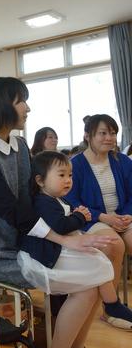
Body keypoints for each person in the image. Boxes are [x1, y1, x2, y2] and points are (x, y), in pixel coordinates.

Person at [0, 77, 114, 348]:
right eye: (21, 101)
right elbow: (12, 211)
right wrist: (65, 239)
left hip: (29, 244)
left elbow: (31, 199)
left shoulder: (18, 145)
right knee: (88, 285)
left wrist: (71, 223)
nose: (27, 107)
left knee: (100, 268)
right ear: (1, 105)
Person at [18, 151, 124, 348]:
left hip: (58, 248)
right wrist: (80, 217)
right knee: (93, 278)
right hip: (43, 256)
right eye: (61, 175)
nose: (68, 179)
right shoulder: (43, 201)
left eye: (70, 175)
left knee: (98, 268)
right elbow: (60, 227)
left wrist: (80, 221)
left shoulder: (58, 200)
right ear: (40, 180)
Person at [66, 114, 132, 329]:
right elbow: (72, 201)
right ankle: (110, 307)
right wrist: (103, 217)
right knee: (114, 246)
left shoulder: (122, 160)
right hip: (92, 220)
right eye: (103, 133)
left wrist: (128, 214)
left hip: (121, 216)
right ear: (88, 136)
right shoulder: (76, 164)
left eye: (113, 133)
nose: (109, 138)